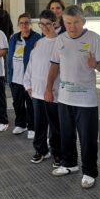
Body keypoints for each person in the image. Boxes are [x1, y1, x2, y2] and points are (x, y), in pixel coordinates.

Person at [44, 5, 100, 189]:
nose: (72, 27)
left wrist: (95, 64)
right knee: (67, 135)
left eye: (76, 22)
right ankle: (69, 164)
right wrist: (48, 88)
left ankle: (89, 172)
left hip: (86, 99)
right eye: (68, 23)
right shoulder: (60, 39)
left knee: (87, 138)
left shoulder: (94, 39)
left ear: (83, 21)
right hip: (64, 98)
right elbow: (54, 65)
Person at [24, 10, 61, 166]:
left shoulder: (61, 42)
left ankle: (58, 153)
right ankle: (41, 150)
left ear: (54, 24)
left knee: (55, 126)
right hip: (37, 92)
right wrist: (28, 86)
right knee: (39, 125)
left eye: (48, 24)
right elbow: (31, 66)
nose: (44, 27)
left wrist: (53, 89)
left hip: (53, 93)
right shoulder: (39, 43)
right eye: (41, 24)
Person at [8, 13, 41, 139]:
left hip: (30, 79)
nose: (24, 25)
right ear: (18, 25)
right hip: (15, 77)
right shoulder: (14, 38)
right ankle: (20, 124)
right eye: (21, 23)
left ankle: (32, 126)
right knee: (17, 103)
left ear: (31, 24)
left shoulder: (37, 38)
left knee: (31, 104)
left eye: (26, 23)